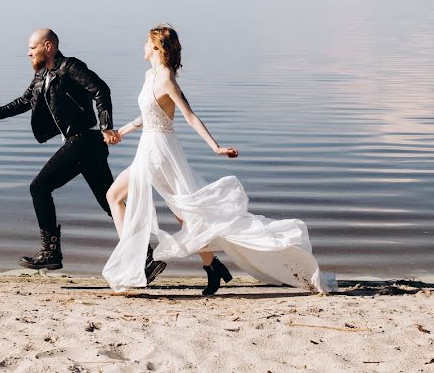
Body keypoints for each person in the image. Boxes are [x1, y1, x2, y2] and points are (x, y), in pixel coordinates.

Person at [102, 24, 329, 295]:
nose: (141, 46)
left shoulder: (166, 79)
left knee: (124, 198)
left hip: (160, 151)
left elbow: (189, 115)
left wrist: (216, 147)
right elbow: (149, 115)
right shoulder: (150, 75)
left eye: (145, 42)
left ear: (155, 47)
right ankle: (211, 267)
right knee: (182, 213)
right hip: (149, 146)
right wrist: (122, 132)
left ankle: (143, 260)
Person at [0, 29, 165, 283]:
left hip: (84, 140)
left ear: (48, 46)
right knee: (111, 201)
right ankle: (146, 259)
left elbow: (101, 90)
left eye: (33, 47)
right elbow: (25, 101)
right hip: (87, 146)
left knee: (39, 187)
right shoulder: (42, 75)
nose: (29, 52)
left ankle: (50, 251)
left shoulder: (69, 67)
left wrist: (106, 126)